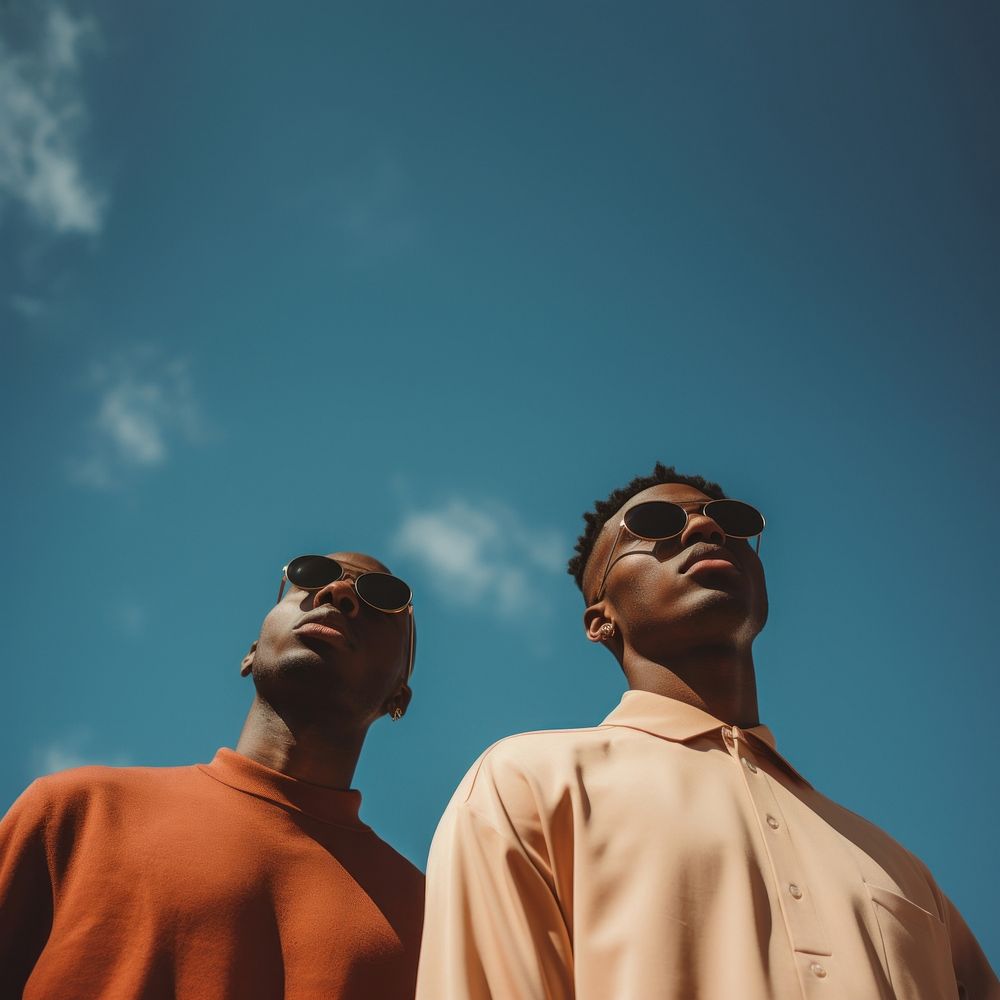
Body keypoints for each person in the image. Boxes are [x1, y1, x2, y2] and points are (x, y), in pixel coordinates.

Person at [416, 464, 999, 999]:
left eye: (731, 521)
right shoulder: (531, 786)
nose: (705, 529)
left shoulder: (903, 870)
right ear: (601, 620)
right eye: (655, 523)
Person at [0, 550, 424, 1000]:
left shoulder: (431, 922)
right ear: (251, 653)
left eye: (382, 597)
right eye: (312, 575)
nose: (337, 592)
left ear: (398, 697)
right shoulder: (76, 813)